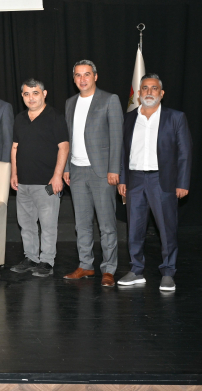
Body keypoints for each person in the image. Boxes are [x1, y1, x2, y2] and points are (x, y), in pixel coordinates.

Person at [117, 74, 192, 292]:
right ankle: (136, 270)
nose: (149, 92)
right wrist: (122, 179)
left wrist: (182, 182)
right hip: (135, 180)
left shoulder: (175, 117)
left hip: (163, 180)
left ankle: (168, 272)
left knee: (167, 229)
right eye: (145, 88)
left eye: (154, 88)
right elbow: (122, 151)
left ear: (161, 93)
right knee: (134, 227)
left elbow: (185, 153)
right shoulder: (129, 118)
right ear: (138, 93)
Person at [62, 61, 123, 287]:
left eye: (87, 74)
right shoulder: (70, 103)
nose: (82, 79)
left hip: (102, 172)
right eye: (78, 75)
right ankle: (85, 265)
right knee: (82, 224)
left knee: (106, 225)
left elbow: (117, 137)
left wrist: (114, 169)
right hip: (77, 171)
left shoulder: (110, 100)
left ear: (95, 76)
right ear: (74, 79)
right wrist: (67, 168)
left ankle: (109, 269)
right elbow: (68, 138)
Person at [10, 79, 69, 278]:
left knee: (48, 225)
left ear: (44, 94)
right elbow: (15, 147)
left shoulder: (55, 117)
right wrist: (14, 173)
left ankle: (47, 261)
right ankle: (31, 257)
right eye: (26, 94)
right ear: (22, 96)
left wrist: (57, 176)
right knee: (26, 224)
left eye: (35, 93)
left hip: (47, 183)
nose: (31, 98)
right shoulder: (19, 118)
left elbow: (64, 147)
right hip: (23, 183)